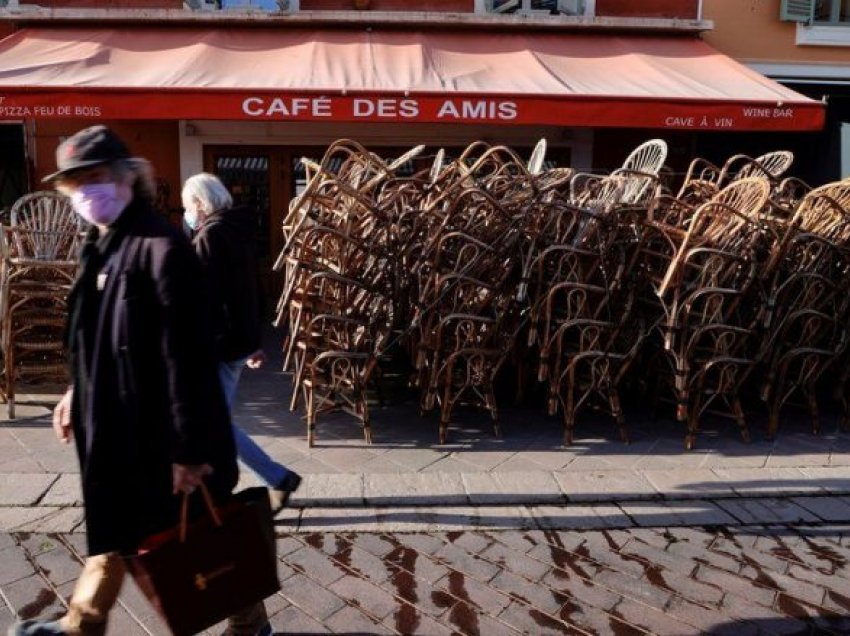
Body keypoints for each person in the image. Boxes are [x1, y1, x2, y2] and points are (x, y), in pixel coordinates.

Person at [9, 126, 270, 636]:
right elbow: (92, 338)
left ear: (128, 179)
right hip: (120, 433)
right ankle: (86, 626)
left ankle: (83, 627)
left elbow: (188, 358)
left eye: (97, 176)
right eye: (76, 181)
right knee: (132, 534)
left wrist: (190, 452)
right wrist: (74, 390)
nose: (88, 189)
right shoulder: (100, 246)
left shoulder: (162, 247)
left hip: (160, 439)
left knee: (172, 535)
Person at [181, 172, 301, 512]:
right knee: (215, 422)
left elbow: (205, 300)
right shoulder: (238, 233)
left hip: (218, 345)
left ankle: (276, 478)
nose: (186, 211)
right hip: (235, 342)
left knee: (213, 424)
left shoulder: (211, 236)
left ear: (200, 204)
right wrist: (252, 341)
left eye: (188, 204)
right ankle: (276, 478)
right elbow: (250, 293)